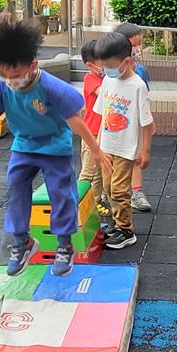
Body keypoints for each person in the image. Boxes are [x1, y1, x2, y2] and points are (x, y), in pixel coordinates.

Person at [0, 16, 110, 277]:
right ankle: (21, 242)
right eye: (3, 75)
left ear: (33, 66)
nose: (10, 81)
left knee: (61, 193)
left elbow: (76, 122)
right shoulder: (2, 87)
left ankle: (64, 245)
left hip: (54, 147)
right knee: (15, 187)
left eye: (15, 75)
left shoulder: (50, 87)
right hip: (24, 146)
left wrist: (95, 149)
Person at [95, 32, 154, 249]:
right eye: (104, 66)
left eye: (110, 66)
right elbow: (103, 115)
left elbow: (147, 123)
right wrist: (98, 144)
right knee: (108, 187)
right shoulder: (108, 81)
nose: (106, 70)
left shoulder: (137, 86)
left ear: (127, 61)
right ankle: (117, 221)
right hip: (107, 146)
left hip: (126, 148)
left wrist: (145, 151)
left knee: (119, 189)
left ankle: (126, 230)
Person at [114, 22, 153, 213]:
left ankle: (136, 193)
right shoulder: (111, 71)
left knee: (135, 157)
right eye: (133, 45)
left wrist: (148, 121)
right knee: (113, 160)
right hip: (115, 123)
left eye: (139, 44)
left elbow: (144, 99)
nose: (137, 49)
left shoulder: (140, 71)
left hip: (133, 122)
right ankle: (108, 192)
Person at [78, 39, 111, 222]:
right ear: (90, 65)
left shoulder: (103, 78)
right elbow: (103, 94)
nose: (106, 64)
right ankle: (78, 204)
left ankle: (95, 201)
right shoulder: (90, 78)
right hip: (92, 132)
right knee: (88, 171)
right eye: (102, 61)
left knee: (99, 172)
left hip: (103, 132)